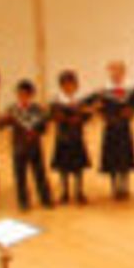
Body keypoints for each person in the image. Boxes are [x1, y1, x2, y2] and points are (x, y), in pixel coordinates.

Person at [0, 80, 52, 211]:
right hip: (18, 147)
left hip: (34, 147)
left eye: (25, 94)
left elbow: (44, 129)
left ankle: (45, 199)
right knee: (20, 176)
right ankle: (23, 202)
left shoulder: (37, 109)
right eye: (20, 94)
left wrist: (36, 130)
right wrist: (2, 119)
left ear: (31, 95)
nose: (22, 97)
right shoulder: (12, 109)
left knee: (40, 174)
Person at [95, 61, 134, 200]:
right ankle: (114, 186)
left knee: (125, 157)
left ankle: (125, 185)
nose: (116, 74)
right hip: (111, 126)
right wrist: (104, 115)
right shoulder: (104, 90)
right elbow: (99, 108)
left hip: (124, 126)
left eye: (119, 71)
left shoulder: (130, 89)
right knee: (112, 157)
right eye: (113, 71)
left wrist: (130, 112)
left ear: (124, 72)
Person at [50, 70, 91, 204]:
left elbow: (87, 116)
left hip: (77, 136)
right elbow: (53, 116)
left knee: (78, 166)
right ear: (61, 86)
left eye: (71, 84)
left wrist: (82, 117)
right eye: (65, 84)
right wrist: (62, 117)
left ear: (76, 85)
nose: (68, 87)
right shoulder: (56, 100)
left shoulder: (80, 100)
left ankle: (79, 191)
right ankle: (65, 192)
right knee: (63, 167)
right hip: (63, 136)